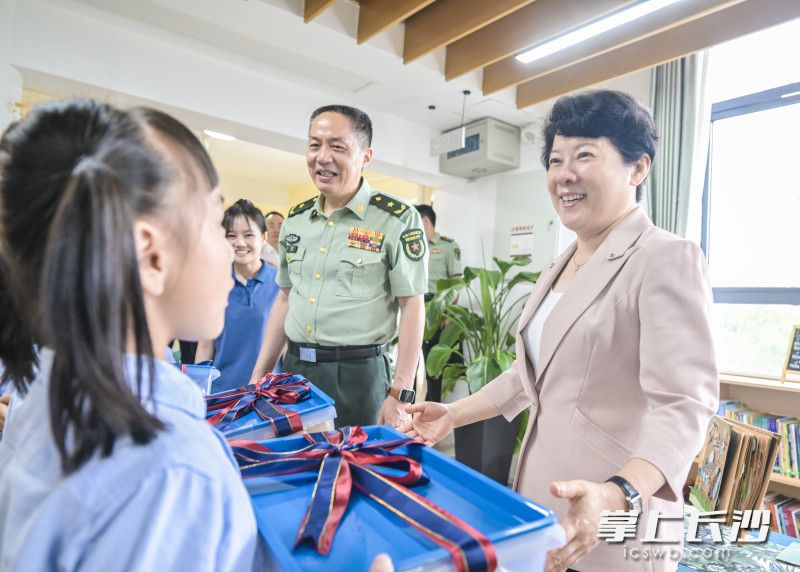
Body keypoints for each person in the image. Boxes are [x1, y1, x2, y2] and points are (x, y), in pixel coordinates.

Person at [401, 90, 718, 572]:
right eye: (555, 159)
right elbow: (530, 374)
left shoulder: (665, 258)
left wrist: (619, 492)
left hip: (615, 519)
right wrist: (453, 414)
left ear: (638, 169)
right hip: (544, 501)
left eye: (585, 155)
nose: (564, 174)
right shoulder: (559, 263)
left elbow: (684, 405)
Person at [0, 100, 260, 570]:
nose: (229, 252)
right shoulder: (174, 473)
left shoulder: (42, 393)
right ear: (150, 256)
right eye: (215, 223)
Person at [250, 104, 428, 429]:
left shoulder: (396, 218)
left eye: (337, 146)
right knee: (296, 468)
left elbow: (412, 305)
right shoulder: (297, 220)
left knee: (357, 474)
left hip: (360, 377)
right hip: (295, 372)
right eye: (314, 145)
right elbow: (285, 299)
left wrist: (400, 393)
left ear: (366, 156)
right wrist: (259, 375)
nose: (322, 157)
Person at [196, 199, 280, 392]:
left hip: (267, 393)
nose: (240, 243)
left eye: (249, 235)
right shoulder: (214, 283)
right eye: (231, 235)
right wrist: (201, 391)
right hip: (221, 393)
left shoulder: (280, 285)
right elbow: (205, 346)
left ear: (264, 237)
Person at [415, 204, 462, 403]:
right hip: (416, 304)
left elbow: (456, 282)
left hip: (437, 306)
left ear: (425, 220)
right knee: (410, 361)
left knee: (433, 367)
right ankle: (405, 411)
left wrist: (449, 314)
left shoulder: (448, 246)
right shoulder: (414, 246)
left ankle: (431, 408)